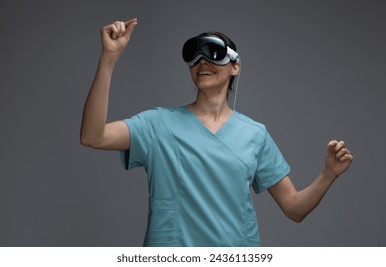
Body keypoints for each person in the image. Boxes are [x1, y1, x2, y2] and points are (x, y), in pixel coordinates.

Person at [80, 18, 353, 247]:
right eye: (194, 57)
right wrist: (109, 58)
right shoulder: (157, 124)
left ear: (235, 66)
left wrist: (327, 174)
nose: (202, 62)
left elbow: (294, 209)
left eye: (212, 54)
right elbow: (93, 136)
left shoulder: (255, 135)